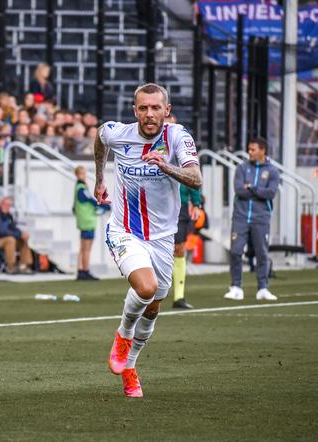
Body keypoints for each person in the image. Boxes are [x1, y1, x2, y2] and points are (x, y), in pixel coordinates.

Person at [93, 83, 202, 397]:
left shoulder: (177, 137)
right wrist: (100, 177)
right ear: (135, 110)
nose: (149, 114)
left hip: (162, 238)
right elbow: (100, 137)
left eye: (156, 108)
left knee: (153, 308)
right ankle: (123, 335)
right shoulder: (119, 133)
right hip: (125, 230)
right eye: (143, 108)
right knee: (146, 287)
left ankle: (130, 367)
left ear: (166, 110)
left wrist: (166, 166)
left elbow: (196, 178)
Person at [224, 137, 280, 301]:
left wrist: (253, 187)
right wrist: (257, 191)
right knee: (235, 252)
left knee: (262, 254)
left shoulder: (273, 171)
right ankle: (236, 287)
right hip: (240, 217)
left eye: (253, 149)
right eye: (249, 149)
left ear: (263, 150)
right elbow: (239, 190)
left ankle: (263, 288)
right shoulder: (242, 168)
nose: (250, 152)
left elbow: (271, 193)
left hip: (261, 218)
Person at [165, 114, 202, 310]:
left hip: (180, 206)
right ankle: (146, 291)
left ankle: (179, 296)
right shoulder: (155, 146)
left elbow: (194, 176)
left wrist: (197, 203)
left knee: (179, 248)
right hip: (157, 206)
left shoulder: (183, 145)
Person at [0, 196, 34, 274]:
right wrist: (19, 234)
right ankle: (10, 267)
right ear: (1, 204)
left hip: (3, 240)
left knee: (22, 240)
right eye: (6, 204)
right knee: (10, 240)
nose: (8, 207)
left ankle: (24, 266)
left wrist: (22, 234)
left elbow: (13, 228)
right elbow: (2, 231)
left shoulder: (8, 216)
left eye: (9, 205)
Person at [73, 165, 107, 280]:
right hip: (87, 221)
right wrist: (104, 205)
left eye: (84, 173)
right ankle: (85, 271)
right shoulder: (82, 189)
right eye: (82, 173)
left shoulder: (78, 188)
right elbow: (92, 200)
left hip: (84, 221)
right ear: (77, 175)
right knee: (87, 248)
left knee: (83, 248)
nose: (84, 175)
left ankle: (81, 270)